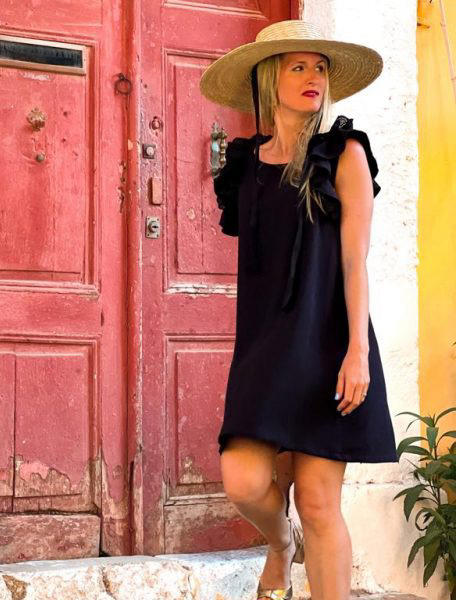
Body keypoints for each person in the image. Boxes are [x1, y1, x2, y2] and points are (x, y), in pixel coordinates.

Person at [199, 20, 399, 600]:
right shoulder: (245, 166)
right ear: (270, 78)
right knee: (243, 481)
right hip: (265, 347)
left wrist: (357, 351)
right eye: (299, 66)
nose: (314, 77)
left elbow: (355, 262)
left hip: (329, 342)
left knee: (318, 500)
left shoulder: (344, 154)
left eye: (321, 67)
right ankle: (281, 543)